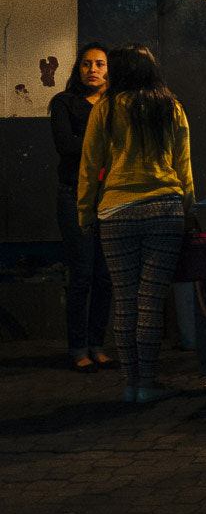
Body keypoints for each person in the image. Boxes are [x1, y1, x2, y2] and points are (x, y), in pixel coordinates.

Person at [76, 44, 195, 404]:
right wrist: (189, 210)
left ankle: (131, 384)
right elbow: (183, 165)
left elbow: (88, 165)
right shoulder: (170, 107)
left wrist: (85, 213)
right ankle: (149, 382)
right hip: (163, 210)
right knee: (151, 300)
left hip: (116, 212)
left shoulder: (106, 108)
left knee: (125, 300)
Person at [49, 43, 115, 372]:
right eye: (87, 64)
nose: (93, 69)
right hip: (74, 194)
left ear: (109, 69)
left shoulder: (117, 103)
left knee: (105, 277)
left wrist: (89, 144)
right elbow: (66, 146)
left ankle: (97, 344)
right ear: (78, 69)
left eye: (100, 64)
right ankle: (77, 348)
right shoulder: (64, 103)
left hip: (110, 196)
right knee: (82, 274)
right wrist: (104, 146)